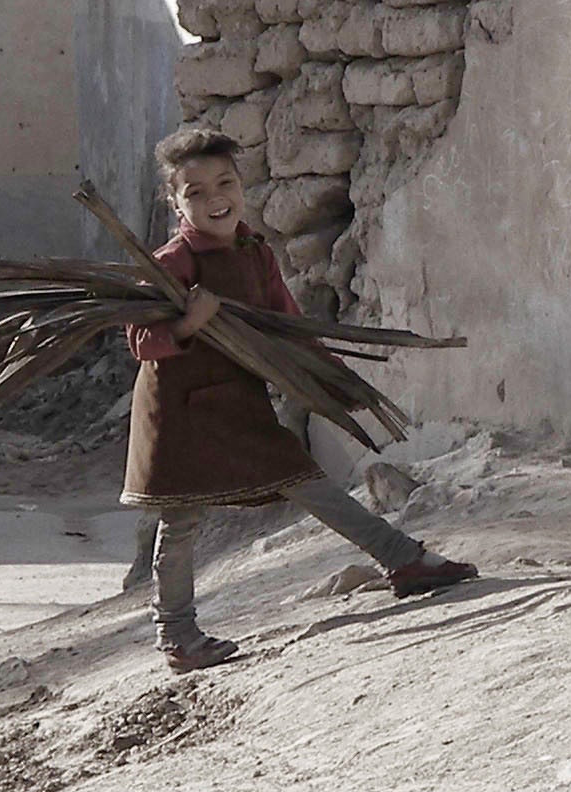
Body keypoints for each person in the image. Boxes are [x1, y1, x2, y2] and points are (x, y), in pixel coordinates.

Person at [125, 126, 476, 671]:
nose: (216, 199)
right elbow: (141, 340)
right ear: (176, 204)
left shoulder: (254, 253)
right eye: (196, 192)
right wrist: (189, 324)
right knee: (182, 519)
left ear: (241, 186)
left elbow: (289, 324)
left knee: (304, 478)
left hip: (236, 401)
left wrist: (327, 374)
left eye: (225, 183)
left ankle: (402, 559)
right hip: (179, 412)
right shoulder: (173, 263)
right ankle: (177, 635)